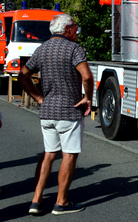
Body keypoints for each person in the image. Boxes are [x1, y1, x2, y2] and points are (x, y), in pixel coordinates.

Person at [18, 14, 94, 215]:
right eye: (75, 27)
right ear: (67, 29)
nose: (77, 30)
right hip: (69, 111)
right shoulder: (73, 48)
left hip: (47, 111)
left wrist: (38, 98)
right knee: (69, 155)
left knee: (48, 154)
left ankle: (36, 200)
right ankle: (61, 202)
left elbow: (22, 75)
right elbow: (86, 76)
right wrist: (88, 97)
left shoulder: (42, 49)